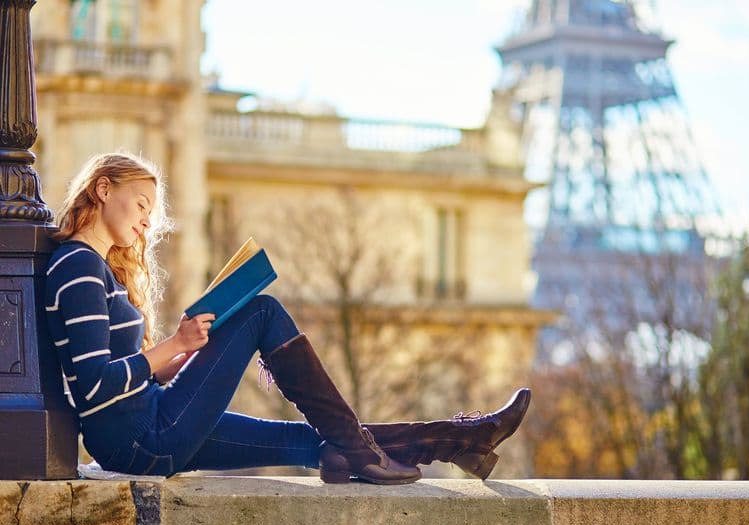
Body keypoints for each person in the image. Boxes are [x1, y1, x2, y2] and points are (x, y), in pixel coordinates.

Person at [45, 152, 531, 485]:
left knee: (314, 441)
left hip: (147, 425)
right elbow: (94, 387)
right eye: (143, 205)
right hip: (139, 437)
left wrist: (176, 361)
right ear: (103, 189)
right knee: (260, 310)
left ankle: (460, 440)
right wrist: (175, 344)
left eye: (152, 212)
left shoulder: (95, 269)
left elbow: (118, 374)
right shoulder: (78, 266)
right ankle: (380, 449)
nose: (147, 222)